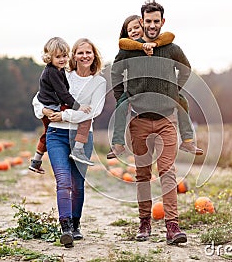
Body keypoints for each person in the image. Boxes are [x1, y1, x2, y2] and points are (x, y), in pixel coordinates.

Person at [111, 0, 192, 245]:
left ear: (162, 22)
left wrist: (174, 92)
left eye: (157, 21)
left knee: (168, 171)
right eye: (149, 21)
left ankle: (172, 226)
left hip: (167, 120)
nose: (153, 25)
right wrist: (123, 97)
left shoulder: (172, 49)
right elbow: (115, 74)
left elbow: (186, 69)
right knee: (143, 174)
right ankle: (145, 222)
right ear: (142, 22)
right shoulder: (129, 50)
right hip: (139, 122)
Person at [32, 38, 106, 248]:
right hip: (56, 135)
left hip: (82, 137)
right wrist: (45, 111)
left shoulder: (99, 82)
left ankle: (75, 224)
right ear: (74, 56)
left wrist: (64, 116)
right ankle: (65, 228)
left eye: (88, 52)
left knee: (77, 183)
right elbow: (38, 99)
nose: (84, 56)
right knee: (63, 179)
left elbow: (95, 111)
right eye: (80, 52)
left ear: (94, 55)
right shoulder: (62, 73)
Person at [107, 15, 203, 159]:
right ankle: (118, 144)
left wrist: (174, 89)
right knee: (120, 106)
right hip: (136, 95)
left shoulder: (162, 43)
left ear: (143, 25)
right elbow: (117, 64)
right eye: (130, 30)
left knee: (183, 102)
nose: (133, 31)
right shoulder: (128, 48)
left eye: (136, 27)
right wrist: (120, 94)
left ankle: (187, 140)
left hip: (165, 94)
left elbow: (170, 36)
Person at [29, 37, 94, 175]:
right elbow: (63, 93)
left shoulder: (60, 70)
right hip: (50, 105)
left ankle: (36, 161)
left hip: (53, 104)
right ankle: (78, 149)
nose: (62, 59)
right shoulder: (52, 72)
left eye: (64, 56)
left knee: (47, 133)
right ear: (49, 57)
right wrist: (78, 106)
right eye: (58, 57)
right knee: (83, 118)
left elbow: (66, 88)